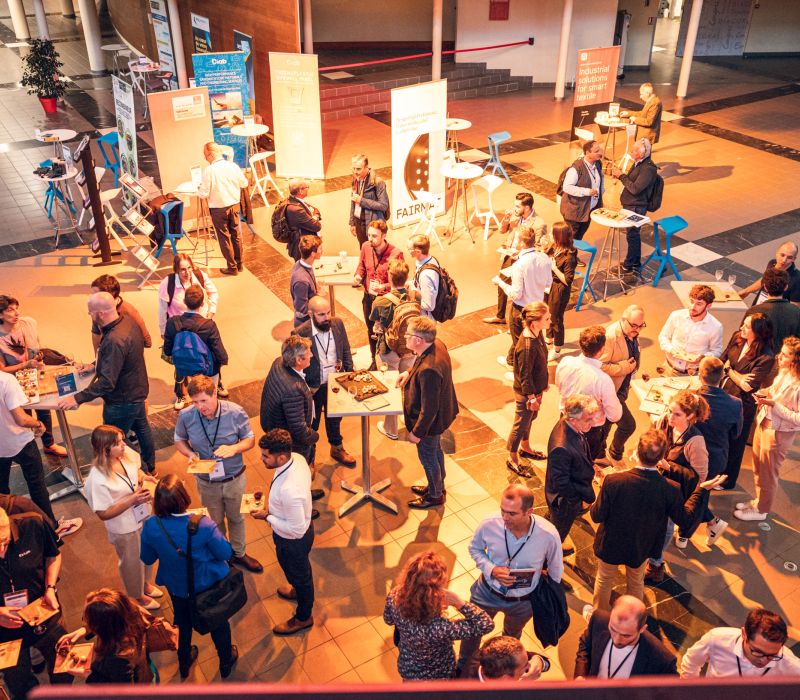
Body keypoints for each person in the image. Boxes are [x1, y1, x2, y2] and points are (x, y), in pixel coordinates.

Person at [588, 429, 723, 612]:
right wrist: (701, 489)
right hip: (642, 546)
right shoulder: (670, 489)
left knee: (604, 579)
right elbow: (685, 519)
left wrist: (596, 498)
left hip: (611, 543)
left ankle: (599, 617)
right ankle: (632, 617)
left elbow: (596, 515)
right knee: (636, 582)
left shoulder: (613, 481)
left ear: (636, 453)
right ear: (661, 458)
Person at [457, 484, 563, 678]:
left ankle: (504, 673)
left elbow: (556, 570)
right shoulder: (489, 524)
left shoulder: (548, 534)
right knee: (472, 631)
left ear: (529, 512)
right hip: (486, 592)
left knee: (511, 639)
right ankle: (462, 669)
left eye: (512, 513)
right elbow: (475, 548)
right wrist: (492, 569)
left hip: (523, 602)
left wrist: (548, 594)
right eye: (502, 511)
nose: (505, 518)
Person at [140, 475, 238, 679]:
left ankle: (184, 661)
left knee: (182, 622)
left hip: (177, 586)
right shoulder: (204, 525)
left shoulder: (151, 526)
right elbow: (225, 553)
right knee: (218, 622)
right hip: (208, 584)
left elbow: (147, 558)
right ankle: (225, 661)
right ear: (183, 498)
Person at [58, 292, 156, 475]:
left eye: (90, 312)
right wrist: (95, 365)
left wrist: (77, 398)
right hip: (137, 389)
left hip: (122, 400)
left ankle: (141, 472)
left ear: (100, 314)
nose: (90, 315)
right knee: (142, 428)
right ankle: (151, 467)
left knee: (114, 439)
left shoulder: (113, 340)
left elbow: (107, 383)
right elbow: (119, 358)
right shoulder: (127, 321)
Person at [174, 375, 261, 573]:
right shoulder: (186, 415)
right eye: (195, 402)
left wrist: (234, 448)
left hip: (234, 478)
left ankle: (239, 553)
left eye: (203, 400)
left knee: (237, 518)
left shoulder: (235, 412)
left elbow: (250, 440)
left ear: (215, 393)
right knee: (215, 522)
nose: (199, 407)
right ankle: (222, 554)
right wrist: (190, 454)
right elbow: (179, 439)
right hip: (206, 482)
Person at [84, 425, 161, 609]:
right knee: (132, 562)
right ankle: (137, 595)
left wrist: (144, 478)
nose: (124, 445)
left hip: (143, 514)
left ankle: (145, 584)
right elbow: (103, 513)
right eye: (118, 443)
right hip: (124, 527)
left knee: (147, 552)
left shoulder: (126, 455)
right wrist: (132, 500)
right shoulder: (97, 479)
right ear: (106, 449)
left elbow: (136, 470)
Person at [383, 550, 492, 681]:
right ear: (436, 589)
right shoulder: (440, 627)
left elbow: (388, 620)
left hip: (408, 668)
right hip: (439, 674)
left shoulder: (394, 596)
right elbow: (486, 624)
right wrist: (460, 603)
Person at [0, 506, 72, 699]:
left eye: (4, 542)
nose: (1, 550)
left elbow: (53, 555)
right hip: (4, 631)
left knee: (63, 665)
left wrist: (50, 588)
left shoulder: (33, 524)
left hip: (43, 611)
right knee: (18, 683)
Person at [251, 429, 316, 635]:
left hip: (293, 541)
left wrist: (267, 516)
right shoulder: (297, 458)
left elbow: (296, 530)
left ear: (280, 457)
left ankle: (303, 617)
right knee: (295, 573)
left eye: (265, 456)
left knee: (301, 577)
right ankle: (297, 588)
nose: (261, 459)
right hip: (295, 530)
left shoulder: (289, 490)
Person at [645, 390, 711, 583]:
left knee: (666, 526)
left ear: (690, 416)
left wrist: (670, 467)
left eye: (677, 414)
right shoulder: (663, 422)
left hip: (675, 492)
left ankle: (655, 563)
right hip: (656, 483)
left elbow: (700, 477)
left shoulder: (695, 441)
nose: (670, 417)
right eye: (669, 410)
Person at [735, 337, 800, 522]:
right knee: (758, 466)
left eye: (785, 355)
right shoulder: (785, 372)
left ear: (795, 360)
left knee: (769, 473)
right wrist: (766, 392)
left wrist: (774, 405)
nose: (779, 357)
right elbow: (775, 391)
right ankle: (759, 501)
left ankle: (762, 510)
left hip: (779, 433)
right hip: (765, 422)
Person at [397, 316, 459, 509]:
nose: (405, 337)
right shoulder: (437, 344)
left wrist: (417, 433)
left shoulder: (429, 370)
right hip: (442, 414)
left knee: (428, 458)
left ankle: (435, 495)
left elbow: (429, 409)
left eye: (407, 335)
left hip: (430, 424)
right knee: (435, 451)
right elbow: (420, 362)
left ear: (418, 340)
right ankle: (438, 485)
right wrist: (409, 373)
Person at [0, 294, 67, 457]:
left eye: (17, 308)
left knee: (45, 410)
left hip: (36, 376)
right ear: (0, 314)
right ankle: (29, 450)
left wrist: (38, 359)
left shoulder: (28, 324)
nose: (16, 313)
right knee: (25, 416)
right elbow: (2, 371)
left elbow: (37, 345)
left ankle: (49, 444)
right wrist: (26, 364)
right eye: (10, 310)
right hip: (16, 384)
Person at [294, 295, 357, 467]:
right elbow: (296, 364)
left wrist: (348, 374)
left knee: (335, 418)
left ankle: (337, 448)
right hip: (314, 387)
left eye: (328, 312)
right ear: (310, 314)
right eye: (321, 314)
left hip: (336, 382)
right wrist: (305, 388)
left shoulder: (338, 324)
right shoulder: (300, 333)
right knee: (312, 424)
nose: (327, 317)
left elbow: (345, 349)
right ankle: (310, 459)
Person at [720, 313, 775, 489]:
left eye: (747, 326)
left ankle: (727, 480)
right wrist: (736, 374)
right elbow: (722, 360)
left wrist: (730, 371)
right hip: (724, 394)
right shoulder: (737, 337)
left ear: (757, 332)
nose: (741, 328)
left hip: (742, 405)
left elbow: (747, 386)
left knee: (735, 444)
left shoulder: (766, 357)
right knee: (720, 438)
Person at [56, 588, 153, 684]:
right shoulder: (131, 616)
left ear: (101, 626)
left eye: (87, 619)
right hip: (144, 668)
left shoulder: (118, 658)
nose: (85, 621)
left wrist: (88, 675)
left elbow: (123, 689)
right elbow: (111, 618)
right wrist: (83, 630)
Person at [555, 326, 622, 460]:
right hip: (589, 430)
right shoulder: (603, 380)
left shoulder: (565, 362)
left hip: (566, 419)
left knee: (564, 455)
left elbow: (558, 385)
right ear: (602, 349)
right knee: (584, 463)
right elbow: (615, 415)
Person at [0, 370, 58, 524]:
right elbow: (21, 419)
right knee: (37, 485)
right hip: (19, 440)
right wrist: (38, 424)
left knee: (2, 493)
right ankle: (50, 526)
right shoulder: (6, 380)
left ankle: (8, 529)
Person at [370, 259, 417, 440]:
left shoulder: (381, 301)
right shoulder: (414, 297)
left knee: (392, 387)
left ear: (389, 277)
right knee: (407, 385)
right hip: (410, 347)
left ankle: (391, 428)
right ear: (406, 277)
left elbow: (375, 323)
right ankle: (407, 418)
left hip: (390, 350)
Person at [544, 395, 601, 548]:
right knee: (560, 529)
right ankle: (551, 551)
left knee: (555, 520)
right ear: (573, 419)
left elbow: (578, 451)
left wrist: (590, 465)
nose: (592, 423)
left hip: (570, 490)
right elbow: (562, 483)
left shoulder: (569, 424)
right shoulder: (561, 447)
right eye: (588, 420)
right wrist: (577, 501)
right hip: (565, 501)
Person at [695, 357, 742, 540]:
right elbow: (736, 433)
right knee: (701, 491)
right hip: (717, 457)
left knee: (692, 491)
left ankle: (711, 523)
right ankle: (705, 525)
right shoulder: (735, 403)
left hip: (691, 454)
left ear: (700, 375)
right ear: (722, 376)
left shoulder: (692, 397)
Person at [574, 596, 676, 679]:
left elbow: (668, 693)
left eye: (626, 635)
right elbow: (585, 645)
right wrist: (580, 675)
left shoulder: (663, 660)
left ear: (642, 629)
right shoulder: (598, 620)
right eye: (612, 629)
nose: (616, 640)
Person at [493, 227, 552, 370]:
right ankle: (511, 361)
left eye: (516, 240)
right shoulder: (544, 258)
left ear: (522, 243)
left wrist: (500, 282)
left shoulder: (520, 265)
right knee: (534, 336)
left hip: (521, 309)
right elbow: (548, 283)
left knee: (520, 341)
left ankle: (518, 369)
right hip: (538, 307)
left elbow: (516, 294)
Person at [483, 193, 547, 325]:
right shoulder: (515, 217)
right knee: (501, 283)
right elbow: (502, 230)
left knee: (521, 291)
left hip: (524, 260)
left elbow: (538, 246)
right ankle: (500, 316)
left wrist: (519, 253)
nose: (514, 209)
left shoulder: (539, 223)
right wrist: (506, 219)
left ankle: (522, 322)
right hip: (509, 256)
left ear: (527, 207)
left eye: (518, 206)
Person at [680, 608, 800, 677]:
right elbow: (691, 662)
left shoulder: (789, 662)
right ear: (744, 634)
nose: (764, 661)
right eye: (757, 652)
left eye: (772, 655)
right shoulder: (717, 639)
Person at [163, 284, 228, 411]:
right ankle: (212, 400)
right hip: (207, 369)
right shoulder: (208, 325)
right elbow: (219, 352)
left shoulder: (172, 322)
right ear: (202, 303)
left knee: (182, 369)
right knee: (215, 366)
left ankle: (183, 396)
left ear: (184, 301)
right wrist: (223, 361)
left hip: (184, 367)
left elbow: (167, 350)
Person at [506, 301, 550, 478]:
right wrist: (532, 397)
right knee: (520, 424)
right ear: (534, 322)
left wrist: (543, 383)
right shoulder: (527, 346)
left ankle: (525, 447)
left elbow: (539, 363)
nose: (550, 321)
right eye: (546, 319)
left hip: (535, 390)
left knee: (529, 420)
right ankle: (512, 457)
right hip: (527, 394)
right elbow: (525, 376)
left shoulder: (537, 334)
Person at [259, 335, 319, 464]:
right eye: (309, 353)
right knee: (299, 466)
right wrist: (314, 436)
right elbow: (298, 429)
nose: (312, 355)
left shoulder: (278, 362)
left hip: (274, 427)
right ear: (299, 360)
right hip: (293, 443)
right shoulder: (293, 390)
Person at [599, 305, 645, 466]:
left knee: (609, 424)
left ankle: (605, 453)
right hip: (610, 391)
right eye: (634, 325)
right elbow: (600, 365)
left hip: (622, 388)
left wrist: (634, 374)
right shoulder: (610, 337)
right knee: (627, 425)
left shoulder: (631, 333)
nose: (637, 329)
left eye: (641, 326)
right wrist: (624, 368)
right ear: (623, 319)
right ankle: (609, 455)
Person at [353, 220, 403, 362]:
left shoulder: (396, 254)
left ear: (384, 236)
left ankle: (388, 362)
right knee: (371, 330)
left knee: (387, 332)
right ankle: (374, 360)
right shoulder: (366, 246)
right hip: (369, 298)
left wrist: (384, 286)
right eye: (369, 235)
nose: (370, 239)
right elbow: (361, 265)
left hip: (386, 301)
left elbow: (400, 281)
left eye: (374, 236)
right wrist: (358, 275)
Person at [198, 141, 248, 275]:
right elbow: (244, 183)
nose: (205, 158)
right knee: (236, 235)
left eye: (205, 155)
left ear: (211, 154)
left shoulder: (209, 171)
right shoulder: (233, 166)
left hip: (218, 209)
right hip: (234, 206)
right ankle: (239, 264)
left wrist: (199, 188)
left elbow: (204, 194)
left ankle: (232, 268)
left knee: (224, 237)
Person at [611, 138, 658, 273]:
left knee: (632, 235)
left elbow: (635, 189)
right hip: (631, 204)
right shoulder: (638, 163)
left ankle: (629, 264)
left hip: (636, 206)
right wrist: (620, 176)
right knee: (632, 234)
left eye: (633, 151)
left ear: (642, 153)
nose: (630, 152)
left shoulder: (648, 169)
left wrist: (621, 176)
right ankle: (635, 262)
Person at [658, 284, 723, 375]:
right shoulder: (676, 315)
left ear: (708, 306)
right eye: (691, 301)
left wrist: (703, 357)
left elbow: (717, 351)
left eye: (699, 304)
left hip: (694, 373)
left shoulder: (716, 326)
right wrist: (671, 349)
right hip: (669, 368)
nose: (693, 307)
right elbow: (663, 336)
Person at [156, 254, 219, 339]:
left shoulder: (199, 275)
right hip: (180, 329)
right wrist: (163, 331)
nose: (187, 272)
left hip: (201, 325)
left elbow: (213, 292)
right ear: (176, 270)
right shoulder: (167, 283)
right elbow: (162, 310)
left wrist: (212, 310)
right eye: (183, 269)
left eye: (189, 268)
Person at [744, 267, 800, 353]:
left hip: (757, 356)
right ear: (786, 287)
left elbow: (743, 336)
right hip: (785, 356)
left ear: (765, 287)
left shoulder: (753, 311)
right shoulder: (796, 312)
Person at [89, 275, 152, 352]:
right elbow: (96, 333)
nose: (93, 297)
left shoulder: (129, 312)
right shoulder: (98, 307)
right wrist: (98, 356)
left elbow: (147, 342)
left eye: (97, 294)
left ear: (111, 294)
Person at [559, 139, 604, 242]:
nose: (600, 153)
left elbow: (599, 180)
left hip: (587, 211)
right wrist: (587, 192)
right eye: (596, 151)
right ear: (587, 153)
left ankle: (574, 252)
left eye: (599, 150)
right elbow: (567, 187)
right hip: (574, 213)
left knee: (578, 239)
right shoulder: (576, 169)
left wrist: (601, 192)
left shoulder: (597, 164)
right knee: (570, 241)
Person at [546, 221, 578, 362]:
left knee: (556, 319)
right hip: (550, 285)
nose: (549, 235)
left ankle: (557, 349)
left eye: (551, 233)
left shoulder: (569, 256)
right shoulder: (556, 247)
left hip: (559, 289)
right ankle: (549, 338)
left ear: (558, 236)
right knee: (547, 313)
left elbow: (567, 280)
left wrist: (554, 268)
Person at [349, 154, 389, 247]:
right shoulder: (355, 179)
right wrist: (352, 223)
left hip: (373, 224)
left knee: (376, 250)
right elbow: (353, 202)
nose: (355, 172)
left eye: (358, 169)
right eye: (353, 168)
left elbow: (383, 205)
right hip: (359, 223)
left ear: (366, 167)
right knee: (364, 248)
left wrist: (362, 201)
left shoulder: (378, 182)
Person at [478, 636, 550, 682]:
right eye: (525, 666)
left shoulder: (513, 656)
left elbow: (546, 662)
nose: (530, 665)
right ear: (506, 678)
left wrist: (539, 660)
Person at [285, 179, 322, 262]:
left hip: (302, 243)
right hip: (302, 248)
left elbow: (315, 210)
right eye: (306, 187)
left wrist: (314, 216)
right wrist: (315, 218)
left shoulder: (294, 200)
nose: (308, 189)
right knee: (303, 267)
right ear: (300, 191)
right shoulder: (296, 210)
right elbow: (317, 226)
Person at [290, 234, 321, 327]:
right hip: (306, 323)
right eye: (320, 248)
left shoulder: (301, 263)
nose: (322, 251)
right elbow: (302, 309)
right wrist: (319, 299)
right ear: (313, 254)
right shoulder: (301, 280)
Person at [406, 234, 440, 320]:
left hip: (425, 318)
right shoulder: (429, 259)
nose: (408, 250)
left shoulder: (426, 276)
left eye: (409, 249)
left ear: (418, 252)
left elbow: (429, 305)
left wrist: (411, 300)